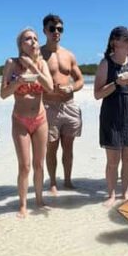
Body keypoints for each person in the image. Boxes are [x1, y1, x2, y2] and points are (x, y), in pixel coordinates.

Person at [0, 28, 53, 218]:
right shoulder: (11, 63)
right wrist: (17, 83)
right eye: (28, 39)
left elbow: (50, 87)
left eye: (35, 39)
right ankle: (22, 204)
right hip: (20, 120)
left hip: (40, 119)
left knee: (39, 164)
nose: (33, 42)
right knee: (24, 166)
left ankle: (38, 199)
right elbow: (3, 94)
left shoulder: (42, 63)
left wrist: (33, 67)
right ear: (20, 44)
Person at [94, 26, 128, 206]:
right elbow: (97, 94)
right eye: (126, 39)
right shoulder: (105, 63)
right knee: (113, 161)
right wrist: (117, 83)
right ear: (114, 42)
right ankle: (111, 195)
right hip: (112, 114)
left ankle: (124, 194)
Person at [40, 14, 84, 193]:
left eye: (59, 29)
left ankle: (67, 180)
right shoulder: (39, 54)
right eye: (52, 28)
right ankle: (52, 182)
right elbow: (31, 80)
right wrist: (47, 90)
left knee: (68, 147)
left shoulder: (68, 55)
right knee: (51, 147)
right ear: (45, 31)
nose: (56, 32)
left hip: (69, 106)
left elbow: (80, 80)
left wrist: (71, 88)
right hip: (49, 106)